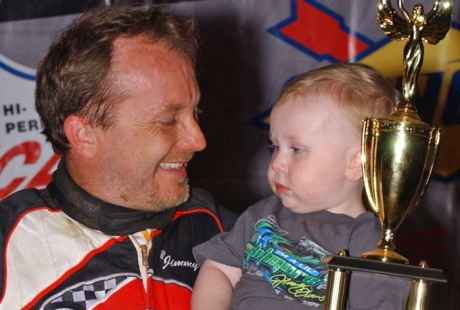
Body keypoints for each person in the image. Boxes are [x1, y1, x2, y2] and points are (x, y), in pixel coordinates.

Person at [0, 5, 237, 310]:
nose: (198, 140)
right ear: (85, 136)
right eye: (167, 120)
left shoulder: (228, 231)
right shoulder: (10, 242)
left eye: (196, 113)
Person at [192, 63, 411, 309]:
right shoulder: (262, 214)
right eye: (275, 146)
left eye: (296, 150)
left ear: (356, 163)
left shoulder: (367, 244)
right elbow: (220, 268)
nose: (277, 163)